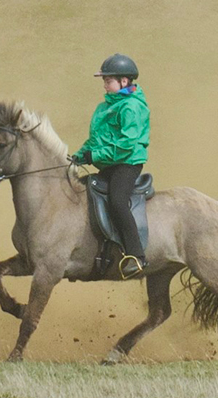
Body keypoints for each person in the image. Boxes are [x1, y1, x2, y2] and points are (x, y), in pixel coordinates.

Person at [72, 53, 150, 276]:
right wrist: (78, 156)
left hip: (127, 164)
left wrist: (93, 157)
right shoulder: (104, 107)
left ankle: (137, 256)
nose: (105, 85)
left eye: (108, 80)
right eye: (104, 81)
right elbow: (95, 140)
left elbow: (126, 145)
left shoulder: (131, 107)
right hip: (108, 164)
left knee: (116, 201)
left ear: (124, 81)